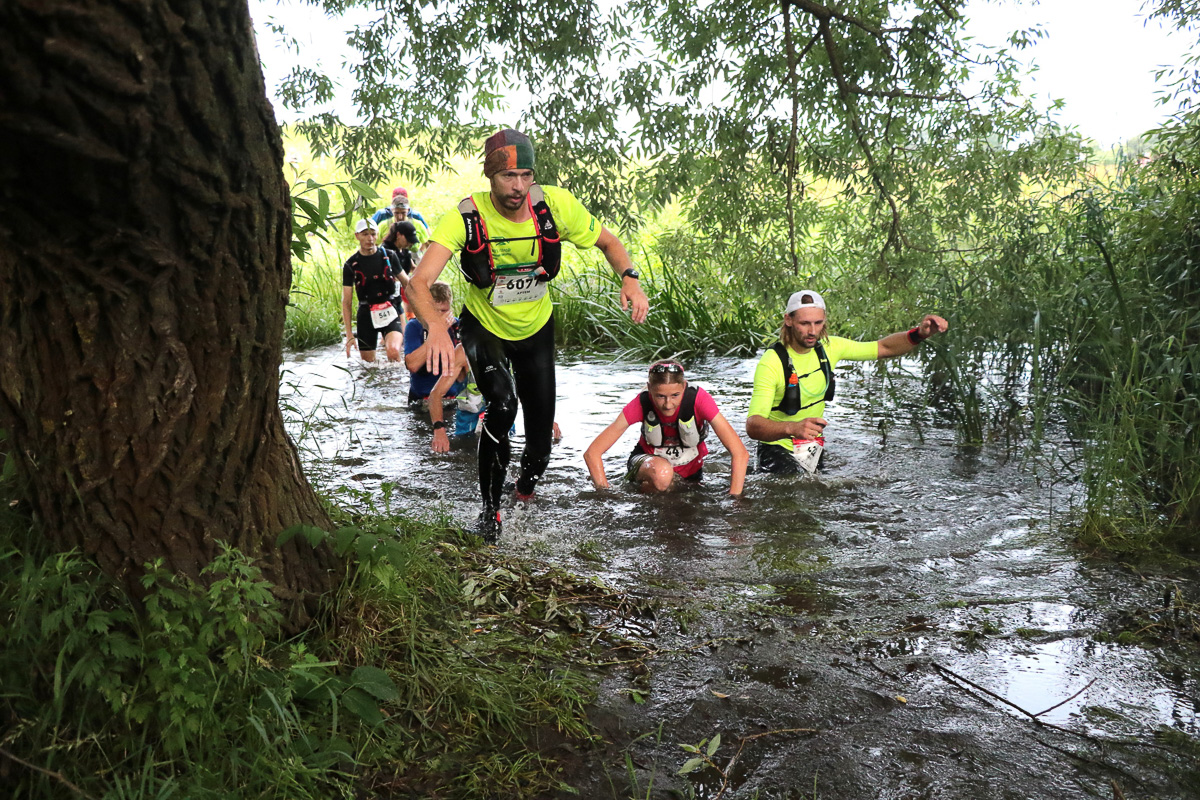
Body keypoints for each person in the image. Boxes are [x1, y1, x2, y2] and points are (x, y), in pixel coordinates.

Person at [407, 128, 650, 541]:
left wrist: (629, 278)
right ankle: (489, 512)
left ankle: (523, 491)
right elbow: (419, 282)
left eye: (525, 175)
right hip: (485, 328)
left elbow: (610, 243)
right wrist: (434, 328)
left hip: (536, 330)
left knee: (540, 446)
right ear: (489, 176)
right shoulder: (467, 217)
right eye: (507, 177)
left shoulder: (554, 206)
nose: (518, 186)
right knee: (501, 405)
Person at [745, 290, 948, 474]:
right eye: (805, 323)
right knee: (790, 495)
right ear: (788, 320)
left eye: (818, 323)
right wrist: (792, 428)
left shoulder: (829, 348)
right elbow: (753, 426)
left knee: (817, 496)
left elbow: (884, 348)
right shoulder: (771, 363)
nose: (813, 331)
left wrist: (919, 334)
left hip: (809, 445)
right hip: (775, 447)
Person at [584, 361, 749, 496]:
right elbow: (592, 453)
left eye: (675, 395)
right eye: (660, 396)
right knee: (662, 474)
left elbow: (740, 453)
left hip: (691, 473)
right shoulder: (640, 403)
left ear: (684, 387)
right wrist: (604, 495)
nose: (668, 405)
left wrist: (734, 501)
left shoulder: (699, 400)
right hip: (648, 464)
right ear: (649, 388)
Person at [341, 218, 407, 363]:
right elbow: (346, 302)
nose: (370, 239)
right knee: (368, 366)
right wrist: (349, 334)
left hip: (389, 309)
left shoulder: (390, 256)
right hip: (366, 314)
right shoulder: (350, 265)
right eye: (365, 234)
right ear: (357, 236)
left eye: (373, 234)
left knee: (393, 351)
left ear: (377, 235)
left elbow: (408, 284)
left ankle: (396, 384)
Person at [404, 281, 462, 404]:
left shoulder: (457, 326)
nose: (441, 316)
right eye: (436, 312)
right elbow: (412, 365)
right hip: (422, 400)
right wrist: (437, 331)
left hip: (453, 399)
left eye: (444, 311)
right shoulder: (415, 326)